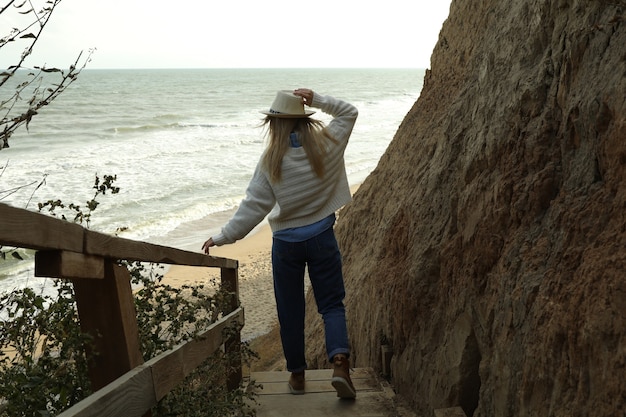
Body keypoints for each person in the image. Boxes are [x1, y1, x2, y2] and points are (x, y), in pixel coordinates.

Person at [202, 88, 358, 399]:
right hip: (322, 237)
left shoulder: (270, 161)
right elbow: (349, 112)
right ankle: (340, 364)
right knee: (330, 305)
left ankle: (297, 377)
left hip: (287, 245)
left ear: (275, 124)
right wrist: (316, 99)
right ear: (303, 121)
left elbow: (252, 209)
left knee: (290, 310)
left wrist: (222, 237)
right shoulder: (327, 144)